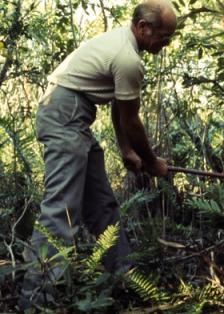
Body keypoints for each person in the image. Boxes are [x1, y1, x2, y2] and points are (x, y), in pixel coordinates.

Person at [20, 0, 176, 307]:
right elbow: (131, 120)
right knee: (62, 208)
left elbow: (121, 105)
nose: (167, 43)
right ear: (143, 28)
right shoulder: (127, 58)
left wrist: (127, 150)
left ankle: (125, 277)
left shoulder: (124, 44)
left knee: (102, 203)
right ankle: (36, 297)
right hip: (66, 114)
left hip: (73, 115)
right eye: (164, 36)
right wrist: (153, 162)